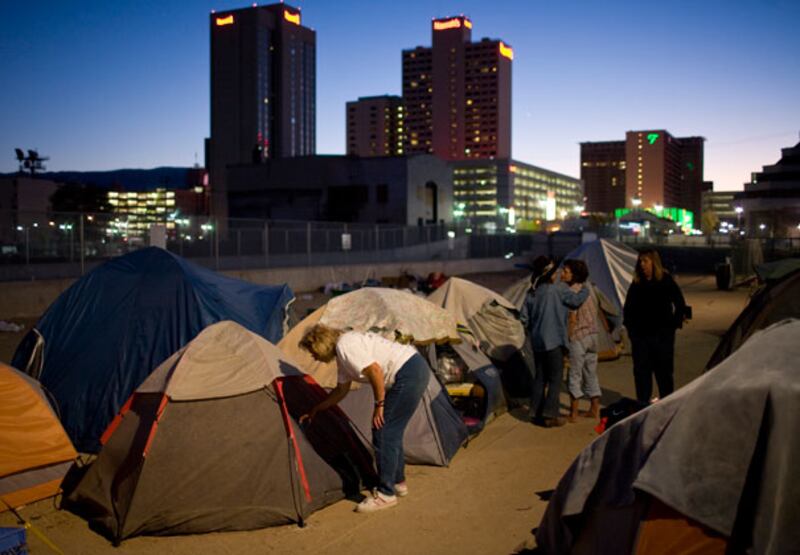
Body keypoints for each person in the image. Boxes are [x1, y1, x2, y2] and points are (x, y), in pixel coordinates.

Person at [298, 324, 429, 513]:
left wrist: (379, 405)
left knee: (382, 430)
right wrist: (317, 409)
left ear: (320, 344)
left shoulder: (346, 346)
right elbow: (341, 391)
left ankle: (385, 495)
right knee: (392, 430)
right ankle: (397, 483)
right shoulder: (343, 355)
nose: (313, 357)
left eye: (312, 351)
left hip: (407, 372)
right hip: (413, 368)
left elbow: (375, 371)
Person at [520, 256, 589, 427]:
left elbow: (524, 318)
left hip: (537, 342)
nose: (558, 272)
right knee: (555, 378)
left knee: (540, 378)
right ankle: (550, 415)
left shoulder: (532, 292)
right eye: (555, 270)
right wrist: (586, 289)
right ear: (549, 273)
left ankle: (535, 411)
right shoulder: (559, 289)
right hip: (555, 341)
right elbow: (575, 302)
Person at [623, 249, 687, 404]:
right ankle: (643, 404)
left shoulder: (665, 280)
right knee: (641, 373)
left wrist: (673, 325)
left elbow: (680, 303)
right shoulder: (637, 284)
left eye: (645, 261)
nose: (642, 265)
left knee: (664, 373)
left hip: (662, 337)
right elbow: (628, 308)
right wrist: (632, 331)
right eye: (640, 261)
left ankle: (667, 403)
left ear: (654, 262)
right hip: (641, 337)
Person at [562, 259, 601, 422]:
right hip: (593, 336)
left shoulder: (572, 292)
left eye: (566, 271)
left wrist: (568, 339)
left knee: (574, 374)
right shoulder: (589, 289)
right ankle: (594, 409)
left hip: (579, 337)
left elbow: (572, 318)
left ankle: (574, 413)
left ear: (574, 275)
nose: (562, 274)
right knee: (591, 373)